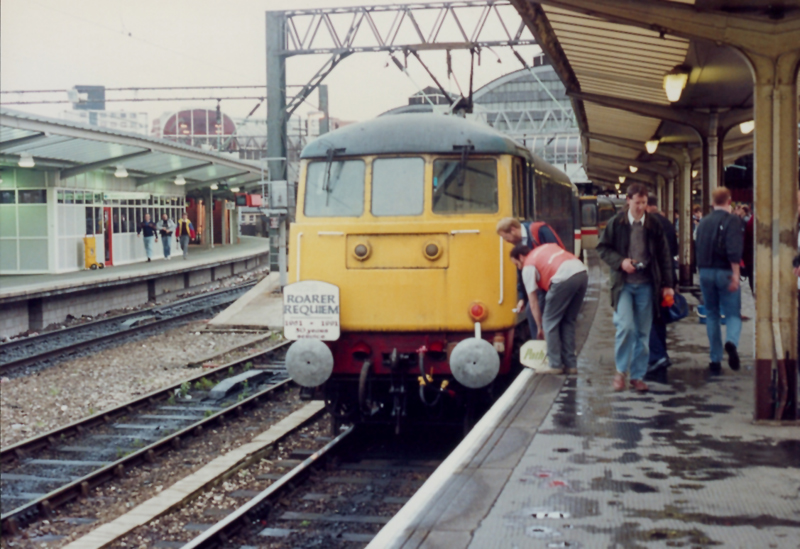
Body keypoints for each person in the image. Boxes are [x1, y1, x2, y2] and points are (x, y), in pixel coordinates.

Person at [597, 184, 675, 393]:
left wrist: (668, 285)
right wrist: (621, 262)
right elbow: (602, 248)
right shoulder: (617, 223)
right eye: (637, 202)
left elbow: (664, 255)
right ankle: (620, 371)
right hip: (623, 284)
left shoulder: (653, 225)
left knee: (643, 332)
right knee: (625, 327)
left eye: (644, 203)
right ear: (628, 201)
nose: (641, 207)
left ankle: (637, 376)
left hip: (646, 285)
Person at [510, 243, 588, 375]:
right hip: (582, 273)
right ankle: (571, 365)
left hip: (563, 279)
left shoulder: (528, 265)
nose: (519, 268)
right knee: (568, 321)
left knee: (549, 321)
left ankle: (555, 364)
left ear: (521, 257)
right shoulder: (544, 248)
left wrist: (539, 326)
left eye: (517, 264)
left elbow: (533, 302)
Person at [695, 187, 744, 374]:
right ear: (729, 201)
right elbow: (733, 250)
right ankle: (731, 342)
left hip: (705, 272)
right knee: (732, 314)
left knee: (712, 315)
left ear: (712, 202)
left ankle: (715, 359)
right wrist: (736, 275)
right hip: (725, 272)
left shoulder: (703, 222)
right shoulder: (732, 220)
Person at [496, 217, 565, 339]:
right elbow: (521, 271)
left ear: (513, 230)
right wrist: (522, 297)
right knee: (532, 311)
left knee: (534, 311)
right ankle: (543, 342)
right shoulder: (519, 244)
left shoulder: (539, 231)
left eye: (506, 237)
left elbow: (557, 253)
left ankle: (542, 343)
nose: (506, 241)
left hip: (554, 281)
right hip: (543, 284)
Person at [644, 195, 678, 383]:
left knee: (646, 316)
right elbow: (674, 251)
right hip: (667, 275)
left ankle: (657, 355)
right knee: (659, 317)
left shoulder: (648, 224)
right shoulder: (668, 223)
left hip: (652, 276)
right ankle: (661, 351)